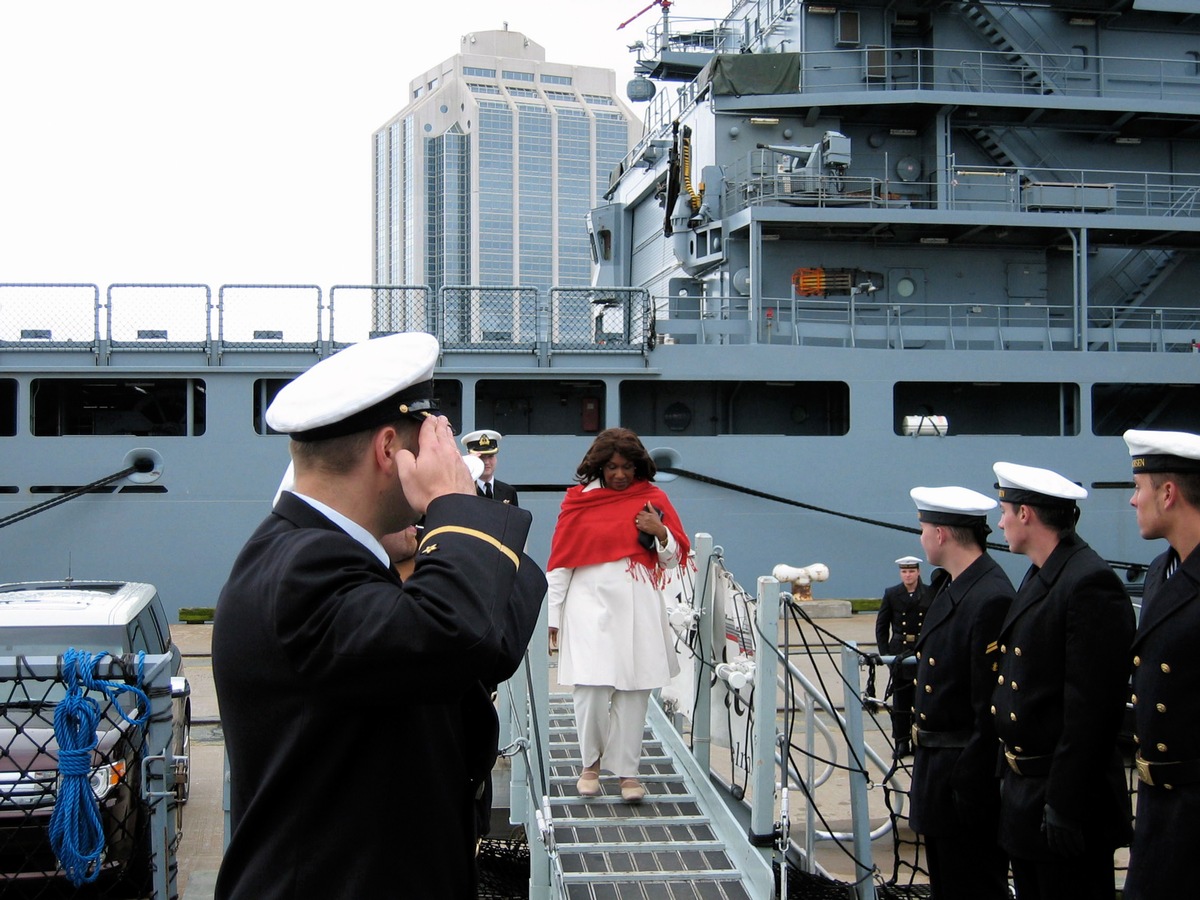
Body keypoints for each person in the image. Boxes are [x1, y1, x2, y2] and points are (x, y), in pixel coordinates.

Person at [212, 332, 546, 900]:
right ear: (388, 449)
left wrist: (442, 532)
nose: (441, 457)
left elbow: (491, 639)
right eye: (429, 441)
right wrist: (456, 504)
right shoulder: (304, 569)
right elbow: (462, 632)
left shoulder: (317, 553)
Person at [990, 460, 1134, 900]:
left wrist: (1065, 806)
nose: (1000, 521)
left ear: (1027, 515)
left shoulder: (1088, 583)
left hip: (1067, 807)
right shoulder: (1042, 574)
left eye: (1006, 511)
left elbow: (1091, 710)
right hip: (1028, 798)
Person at [546, 427, 689, 803]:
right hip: (588, 607)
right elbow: (560, 564)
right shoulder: (579, 502)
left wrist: (661, 532)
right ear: (598, 467)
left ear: (639, 466)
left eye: (627, 466)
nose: (620, 474)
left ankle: (628, 773)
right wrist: (552, 619)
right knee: (591, 688)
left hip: (639, 606)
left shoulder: (654, 499)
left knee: (633, 691)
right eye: (612, 467)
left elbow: (673, 559)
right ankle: (590, 766)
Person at [907, 486, 1014, 899]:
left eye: (924, 528)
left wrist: (967, 786)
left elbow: (989, 707)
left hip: (964, 780)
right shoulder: (956, 587)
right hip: (941, 774)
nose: (921, 538)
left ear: (941, 534)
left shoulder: (990, 597)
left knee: (973, 885)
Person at [1121, 430, 1200, 900]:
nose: (1132, 501)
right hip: (1157, 806)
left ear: (1168, 493)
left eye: (1139, 487)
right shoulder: (1160, 571)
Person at [874, 555, 932, 757]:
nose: (908, 575)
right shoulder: (892, 594)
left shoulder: (930, 593)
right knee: (900, 702)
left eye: (911, 571)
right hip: (899, 652)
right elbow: (882, 625)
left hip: (921, 650)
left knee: (921, 700)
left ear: (918, 572)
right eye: (904, 571)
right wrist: (885, 655)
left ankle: (918, 740)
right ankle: (901, 741)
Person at [462, 429, 519, 505]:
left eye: (490, 456)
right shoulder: (463, 491)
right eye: (481, 457)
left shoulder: (508, 492)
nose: (486, 462)